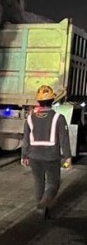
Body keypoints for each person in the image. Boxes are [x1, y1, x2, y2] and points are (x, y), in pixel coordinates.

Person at [21, 85, 72, 219]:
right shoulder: (58, 118)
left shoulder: (30, 118)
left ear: (38, 101)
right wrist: (67, 157)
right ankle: (44, 203)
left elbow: (25, 138)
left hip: (34, 157)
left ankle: (41, 210)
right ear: (52, 101)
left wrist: (24, 156)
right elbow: (64, 139)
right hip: (51, 157)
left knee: (39, 182)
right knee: (53, 184)